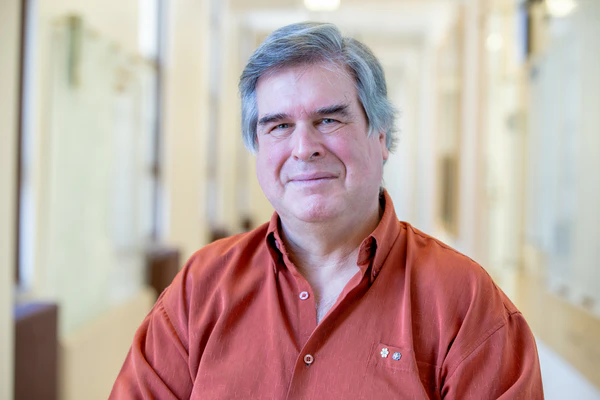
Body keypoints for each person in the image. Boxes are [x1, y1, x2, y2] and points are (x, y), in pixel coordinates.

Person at [110, 22, 543, 399]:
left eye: (329, 120)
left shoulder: (466, 301)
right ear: (257, 147)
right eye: (280, 126)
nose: (304, 148)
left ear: (380, 136)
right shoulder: (200, 289)